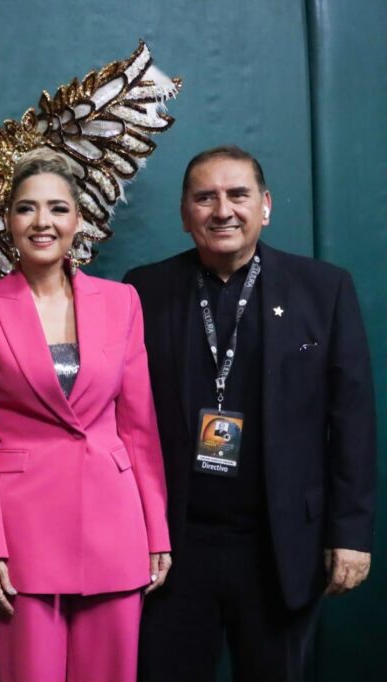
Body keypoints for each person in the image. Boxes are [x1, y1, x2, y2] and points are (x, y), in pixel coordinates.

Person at [125, 145, 377, 681]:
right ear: (184, 213)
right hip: (173, 547)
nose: (223, 210)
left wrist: (350, 533)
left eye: (237, 195)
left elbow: (352, 420)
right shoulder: (143, 290)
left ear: (264, 206)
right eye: (205, 197)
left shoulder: (324, 289)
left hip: (282, 545)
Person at [0, 148, 171, 682]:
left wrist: (156, 531)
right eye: (27, 209)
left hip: (115, 528)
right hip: (23, 536)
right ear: (8, 222)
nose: (42, 222)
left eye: (57, 208)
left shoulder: (122, 302)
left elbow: (139, 429)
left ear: (79, 219)